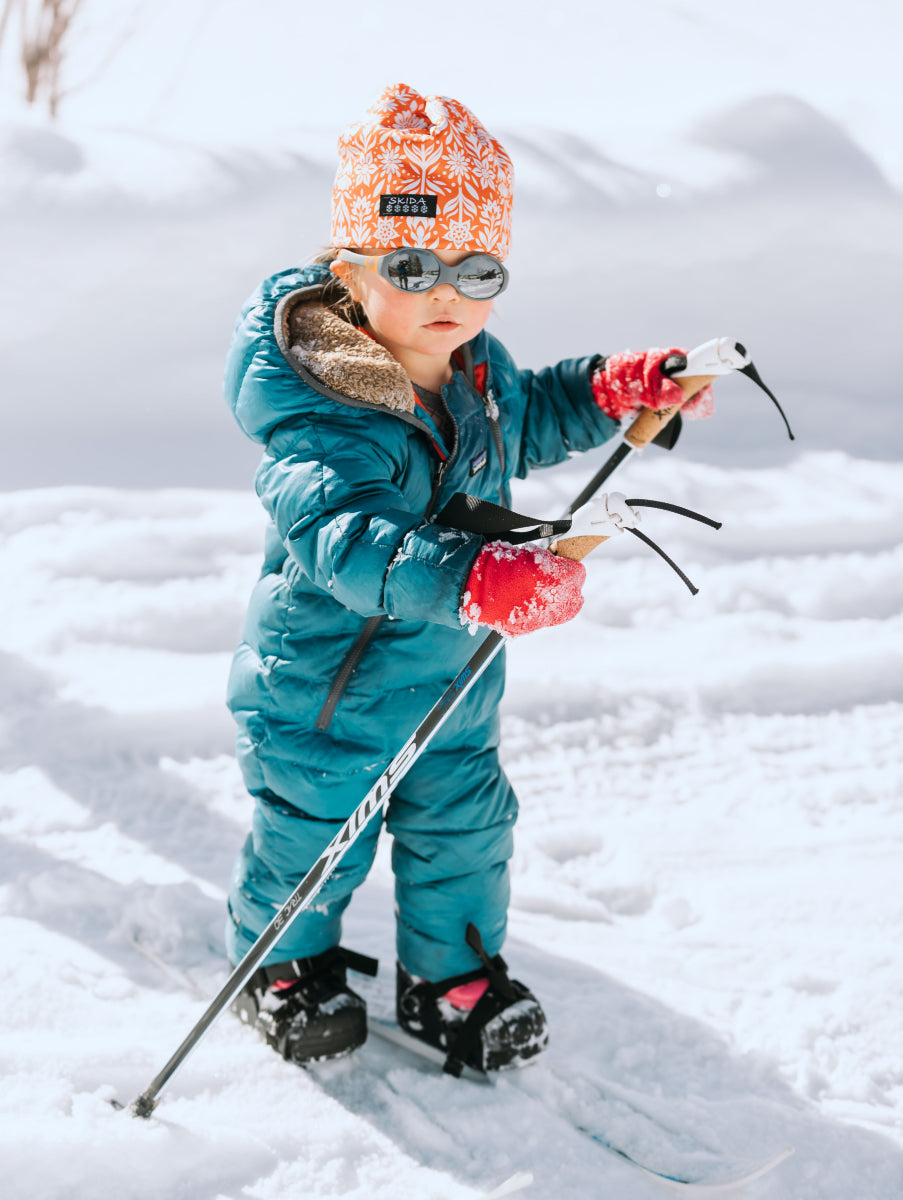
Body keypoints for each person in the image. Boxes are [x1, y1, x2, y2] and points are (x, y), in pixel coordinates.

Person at [223, 83, 713, 1073]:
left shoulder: (472, 368)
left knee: (466, 830)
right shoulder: (320, 413)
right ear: (350, 268)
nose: (447, 294)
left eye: (477, 268)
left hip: (453, 679)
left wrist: (610, 388)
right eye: (412, 265)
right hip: (328, 687)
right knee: (314, 837)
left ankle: (450, 975)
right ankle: (281, 967)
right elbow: (346, 540)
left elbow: (528, 418)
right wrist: (478, 579)